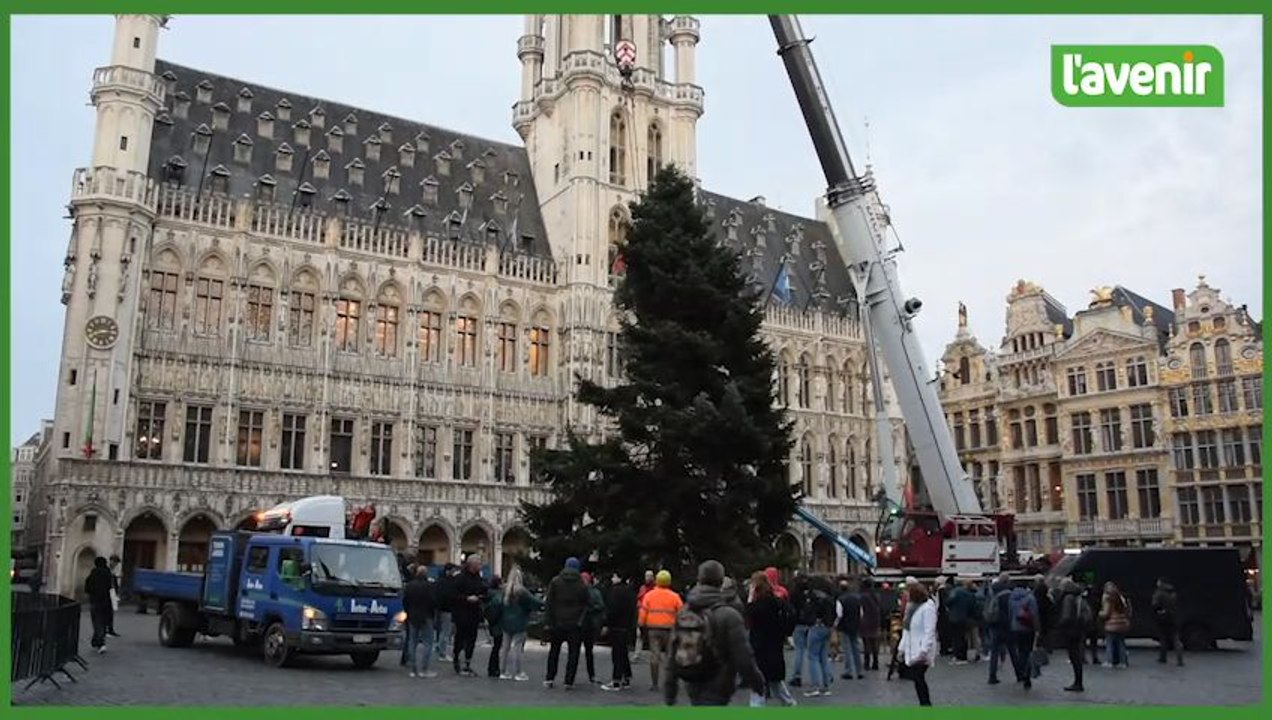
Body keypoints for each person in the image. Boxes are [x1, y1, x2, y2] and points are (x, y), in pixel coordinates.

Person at [664, 560, 766, 706]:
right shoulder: (729, 615)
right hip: (719, 680)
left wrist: (670, 689)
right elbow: (743, 655)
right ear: (721, 581)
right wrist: (756, 682)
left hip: (691, 676)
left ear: (699, 579)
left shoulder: (684, 611)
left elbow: (672, 652)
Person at [745, 570, 796, 706]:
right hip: (775, 646)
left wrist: (750, 596)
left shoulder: (759, 604)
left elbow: (749, 614)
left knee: (760, 683)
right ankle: (789, 704)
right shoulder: (777, 601)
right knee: (776, 682)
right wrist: (786, 633)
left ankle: (758, 706)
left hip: (761, 647)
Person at [544, 557, 591, 690]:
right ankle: (568, 681)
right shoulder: (581, 584)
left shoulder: (556, 581)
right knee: (573, 653)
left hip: (557, 622)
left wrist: (548, 621)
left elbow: (549, 603)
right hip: (574, 623)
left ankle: (550, 678)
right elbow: (587, 603)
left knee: (554, 651)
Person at [639, 569, 683, 691]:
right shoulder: (675, 596)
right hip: (670, 629)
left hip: (653, 628)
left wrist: (641, 625)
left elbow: (643, 612)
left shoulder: (649, 595)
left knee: (654, 655)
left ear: (656, 581)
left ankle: (655, 684)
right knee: (670, 656)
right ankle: (670, 682)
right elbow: (681, 613)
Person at [898, 581, 938, 706]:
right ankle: (924, 703)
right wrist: (902, 648)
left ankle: (925, 704)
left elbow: (929, 630)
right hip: (913, 647)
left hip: (922, 649)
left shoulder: (927, 608)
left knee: (918, 677)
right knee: (917, 678)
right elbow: (907, 630)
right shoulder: (911, 608)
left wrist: (924, 650)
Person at [499, 566, 542, 681]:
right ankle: (518, 672)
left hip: (505, 622)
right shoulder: (522, 591)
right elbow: (535, 602)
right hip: (519, 621)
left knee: (505, 648)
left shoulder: (504, 589)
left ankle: (503, 671)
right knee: (517, 648)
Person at [451, 554, 488, 676]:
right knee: (460, 638)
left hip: (474, 613)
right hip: (462, 613)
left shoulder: (479, 578)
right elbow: (453, 595)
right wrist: (467, 598)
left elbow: (485, 592)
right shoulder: (460, 578)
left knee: (472, 639)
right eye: (478, 564)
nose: (480, 566)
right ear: (471, 565)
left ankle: (467, 662)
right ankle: (456, 658)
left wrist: (481, 597)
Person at [601, 573, 638, 691]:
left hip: (616, 626)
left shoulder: (614, 592)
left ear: (619, 578)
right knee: (623, 653)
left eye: (614, 576)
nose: (612, 579)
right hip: (627, 626)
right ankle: (626, 677)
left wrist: (606, 624)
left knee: (617, 654)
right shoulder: (630, 592)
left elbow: (612, 610)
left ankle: (616, 680)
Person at [1055, 577, 1091, 692]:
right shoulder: (1077, 596)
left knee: (1074, 656)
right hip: (1079, 629)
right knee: (1077, 656)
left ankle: (1078, 682)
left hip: (1071, 630)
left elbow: (1066, 616)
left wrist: (1059, 625)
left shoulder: (1068, 598)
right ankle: (1078, 681)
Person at [403, 565, 439, 678]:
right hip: (426, 616)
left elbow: (405, 601)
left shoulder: (409, 586)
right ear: (425, 574)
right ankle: (424, 669)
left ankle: (414, 669)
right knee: (428, 643)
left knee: (412, 642)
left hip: (412, 616)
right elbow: (434, 601)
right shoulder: (429, 586)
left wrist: (408, 612)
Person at [804, 577, 837, 697]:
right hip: (827, 627)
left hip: (817, 627)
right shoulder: (829, 598)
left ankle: (816, 686)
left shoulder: (814, 598)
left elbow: (808, 613)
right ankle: (825, 686)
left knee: (813, 657)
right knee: (823, 657)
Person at [1007, 579, 1040, 689]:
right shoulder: (1030, 598)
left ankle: (1020, 670)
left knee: (1020, 650)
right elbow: (1034, 614)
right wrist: (1037, 628)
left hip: (1015, 627)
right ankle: (1027, 675)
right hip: (1028, 628)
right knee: (1028, 651)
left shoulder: (1011, 597)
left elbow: (1010, 613)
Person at [984, 573, 1014, 685]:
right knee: (1012, 650)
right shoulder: (1008, 593)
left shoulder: (991, 591)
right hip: (1006, 625)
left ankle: (992, 676)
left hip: (993, 623)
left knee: (994, 652)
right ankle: (1019, 674)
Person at [786, 575, 814, 688]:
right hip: (810, 624)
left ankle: (797, 675)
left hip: (798, 624)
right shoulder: (811, 594)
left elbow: (791, 610)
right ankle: (822, 675)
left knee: (799, 650)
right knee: (814, 652)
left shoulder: (794, 594)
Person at [84, 556, 115, 654]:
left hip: (95, 600)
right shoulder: (108, 573)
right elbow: (111, 587)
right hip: (106, 601)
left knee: (97, 622)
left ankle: (101, 643)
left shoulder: (93, 573)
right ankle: (96, 641)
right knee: (102, 621)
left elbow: (87, 587)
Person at [580, 571, 606, 684]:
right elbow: (601, 606)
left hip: (581, 623)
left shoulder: (579, 592)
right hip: (590, 624)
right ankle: (592, 675)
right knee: (589, 651)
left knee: (576, 651)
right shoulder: (595, 592)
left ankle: (569, 678)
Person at [836, 577, 864, 680]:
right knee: (856, 648)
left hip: (844, 626)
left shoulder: (840, 599)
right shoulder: (857, 598)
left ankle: (848, 671)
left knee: (847, 649)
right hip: (855, 625)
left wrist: (836, 625)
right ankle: (859, 670)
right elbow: (861, 613)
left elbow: (839, 614)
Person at [1152, 577, 1184, 666]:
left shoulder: (1159, 593)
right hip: (1173, 618)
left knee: (1163, 638)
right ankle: (1180, 659)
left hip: (1162, 618)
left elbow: (1154, 605)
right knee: (1175, 639)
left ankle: (1163, 657)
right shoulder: (1173, 593)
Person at [945, 578, 978, 664]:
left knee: (956, 637)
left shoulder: (955, 592)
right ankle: (963, 655)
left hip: (954, 617)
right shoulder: (971, 595)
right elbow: (973, 608)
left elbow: (948, 602)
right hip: (965, 618)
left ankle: (957, 655)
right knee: (964, 637)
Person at [1100, 581, 1132, 668]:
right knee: (1121, 643)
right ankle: (1123, 662)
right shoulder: (1121, 597)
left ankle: (1109, 661)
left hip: (1112, 623)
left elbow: (1106, 613)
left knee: (1110, 643)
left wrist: (1100, 614)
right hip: (1122, 623)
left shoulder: (1107, 597)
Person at [434, 563, 460, 662]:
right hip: (447, 609)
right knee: (446, 631)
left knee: (441, 631)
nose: (454, 572)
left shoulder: (439, 581)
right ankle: (442, 653)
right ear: (448, 571)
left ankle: (439, 647)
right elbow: (450, 596)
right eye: (453, 570)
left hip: (439, 608)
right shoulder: (450, 582)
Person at [859, 577, 883, 671]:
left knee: (866, 643)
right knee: (874, 642)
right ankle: (875, 662)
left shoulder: (862, 596)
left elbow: (861, 609)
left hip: (865, 621)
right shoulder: (876, 595)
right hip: (876, 620)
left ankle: (867, 663)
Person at [485, 575, 505, 678]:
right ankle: (494, 668)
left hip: (492, 623)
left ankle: (493, 668)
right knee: (497, 646)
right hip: (498, 623)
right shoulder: (498, 596)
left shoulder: (489, 594)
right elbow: (499, 608)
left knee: (496, 646)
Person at [636, 570, 656, 659]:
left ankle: (653, 655)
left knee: (652, 637)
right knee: (639, 635)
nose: (647, 578)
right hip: (642, 615)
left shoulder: (655, 589)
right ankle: (637, 654)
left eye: (649, 576)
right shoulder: (642, 588)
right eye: (646, 576)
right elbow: (639, 600)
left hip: (652, 616)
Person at [106, 555, 122, 637]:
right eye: (115, 562)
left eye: (116, 563)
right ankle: (106, 630)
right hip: (106, 594)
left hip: (112, 594)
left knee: (111, 612)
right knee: (106, 612)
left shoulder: (112, 571)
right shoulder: (106, 570)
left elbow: (114, 583)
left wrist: (116, 593)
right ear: (111, 561)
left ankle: (110, 629)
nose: (115, 564)